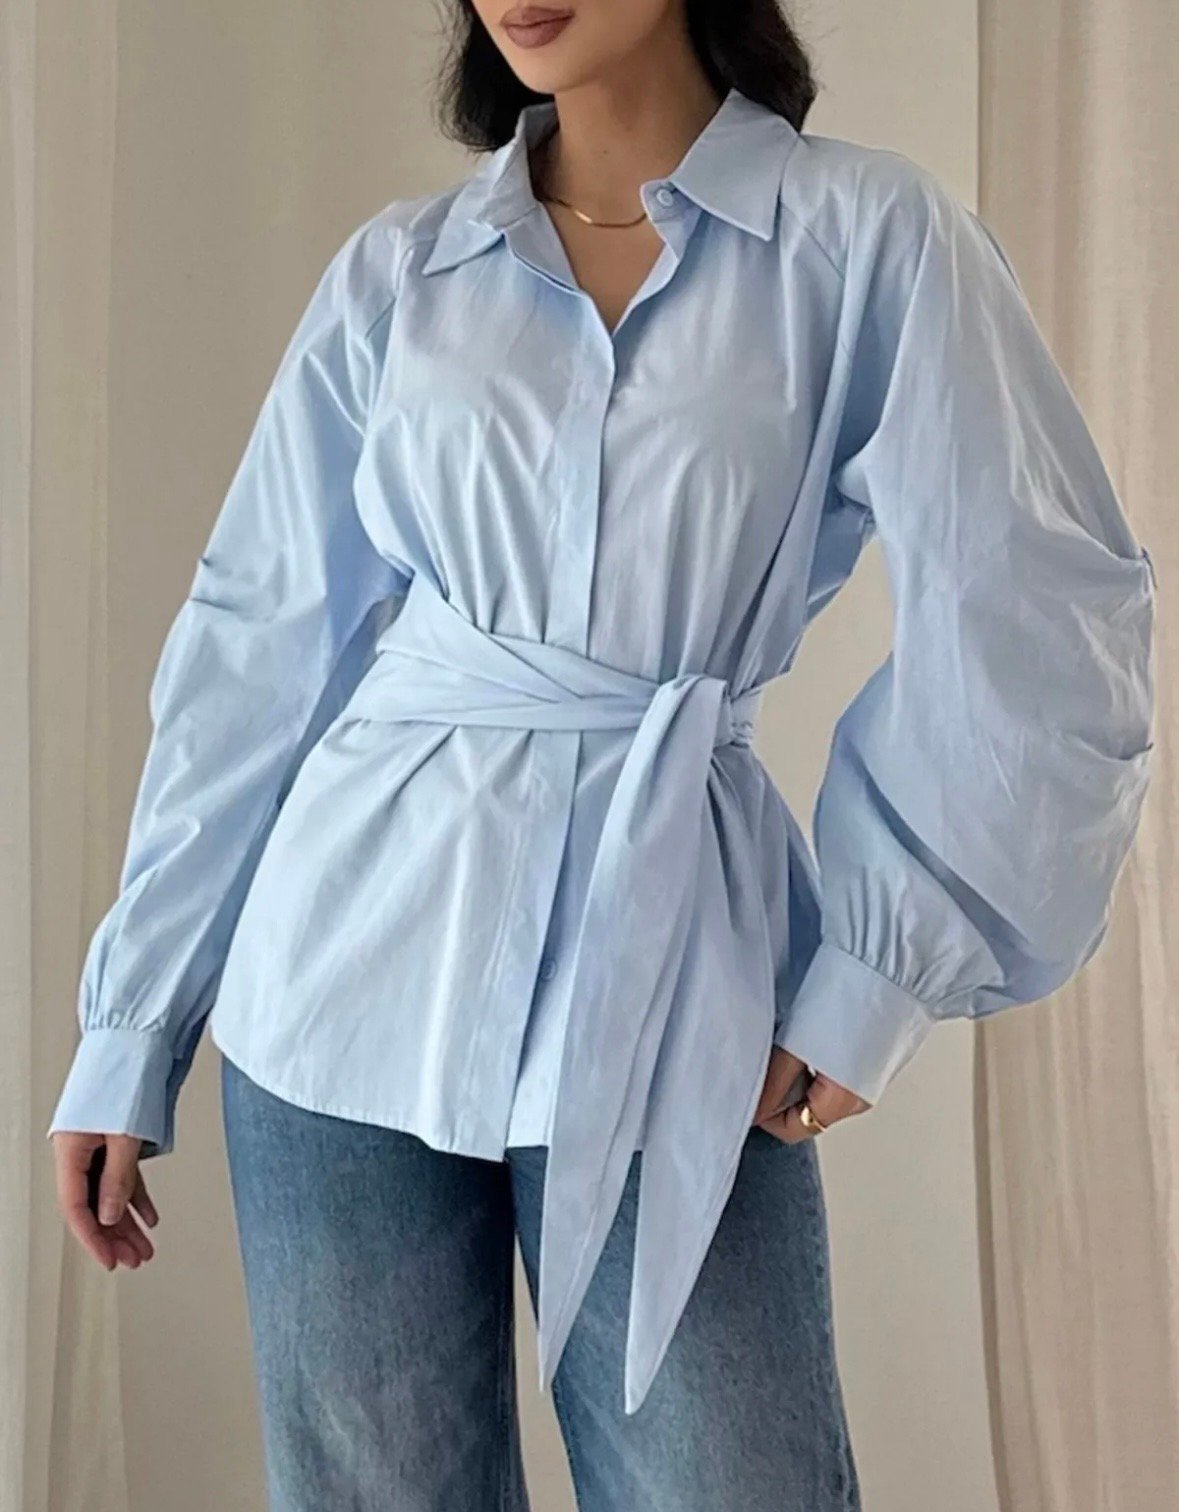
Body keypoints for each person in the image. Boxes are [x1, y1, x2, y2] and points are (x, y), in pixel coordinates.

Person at [47, 1, 1157, 1507]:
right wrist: (133, 1026)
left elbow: (1035, 600)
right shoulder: (400, 271)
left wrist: (880, 973)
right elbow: (257, 649)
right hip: (338, 980)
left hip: (677, 979)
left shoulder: (865, 239)